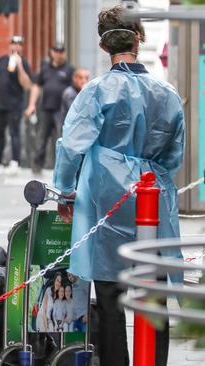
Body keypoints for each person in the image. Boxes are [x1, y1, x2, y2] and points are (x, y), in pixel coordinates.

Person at [54, 6, 184, 365]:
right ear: (139, 39)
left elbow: (71, 147)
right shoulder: (167, 93)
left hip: (104, 201)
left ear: (102, 45)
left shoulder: (96, 92)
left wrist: (65, 192)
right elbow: (175, 156)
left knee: (110, 300)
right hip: (152, 199)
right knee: (153, 297)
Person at [0, 35, 33, 173]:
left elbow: (27, 84)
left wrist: (19, 66)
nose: (16, 46)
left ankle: (15, 162)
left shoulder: (23, 63)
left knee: (14, 133)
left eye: (19, 44)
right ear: (10, 45)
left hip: (15, 104)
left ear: (22, 47)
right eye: (13, 43)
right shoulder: (2, 60)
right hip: (1, 103)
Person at [25, 43, 74, 173]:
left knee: (61, 139)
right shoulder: (45, 68)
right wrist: (31, 104)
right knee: (41, 138)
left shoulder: (69, 70)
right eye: (56, 51)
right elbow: (37, 86)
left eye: (61, 51)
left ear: (64, 53)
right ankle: (37, 165)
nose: (58, 54)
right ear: (52, 52)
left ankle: (61, 168)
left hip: (62, 111)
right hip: (46, 109)